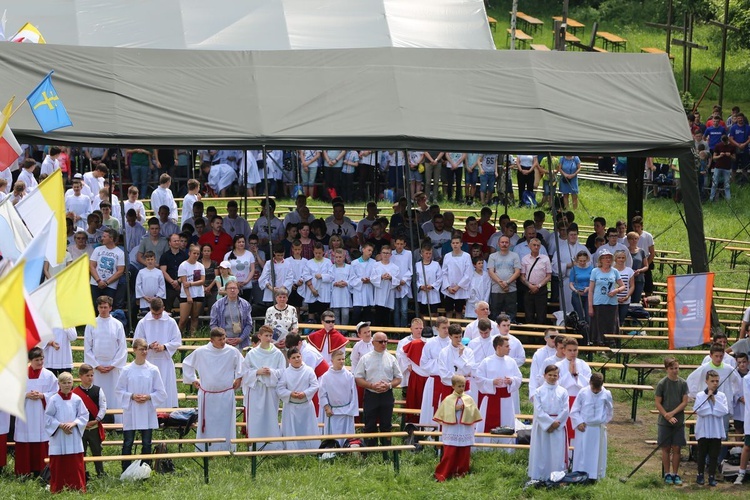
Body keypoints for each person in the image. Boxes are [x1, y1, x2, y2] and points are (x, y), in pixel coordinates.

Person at [183, 328, 244, 452]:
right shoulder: (201, 352)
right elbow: (187, 364)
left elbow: (242, 366)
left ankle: (227, 447)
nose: (223, 341)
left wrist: (239, 378)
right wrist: (193, 379)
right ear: (211, 340)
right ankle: (206, 447)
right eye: (219, 339)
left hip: (226, 393)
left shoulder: (232, 351)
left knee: (225, 422)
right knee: (208, 423)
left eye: (224, 338)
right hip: (208, 394)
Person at [116, 338, 167, 471]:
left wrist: (149, 397)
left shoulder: (153, 369)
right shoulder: (126, 370)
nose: (144, 352)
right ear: (134, 350)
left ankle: (145, 469)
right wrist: (132, 396)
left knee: (147, 442)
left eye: (145, 349)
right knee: (128, 442)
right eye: (141, 349)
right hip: (131, 410)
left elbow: (161, 392)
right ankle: (125, 469)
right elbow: (119, 390)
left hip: (146, 410)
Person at [354, 331, 403, 448]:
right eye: (380, 341)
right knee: (369, 424)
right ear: (373, 342)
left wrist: (389, 385)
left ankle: (386, 450)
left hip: (387, 394)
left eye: (386, 341)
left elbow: (399, 377)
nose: (384, 344)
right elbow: (358, 378)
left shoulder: (391, 358)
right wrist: (371, 386)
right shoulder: (365, 359)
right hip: (371, 394)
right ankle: (369, 450)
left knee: (386, 424)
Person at [15, 347, 59, 477]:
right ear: (30, 360)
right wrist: (25, 395)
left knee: (41, 441)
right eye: (37, 360)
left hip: (41, 413)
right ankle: (23, 471)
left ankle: (41, 470)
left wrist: (43, 396)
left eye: (42, 359)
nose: (40, 362)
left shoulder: (48, 375)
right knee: (25, 439)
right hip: (25, 413)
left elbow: (55, 393)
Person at [241, 325, 287, 450]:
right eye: (266, 336)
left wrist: (271, 372)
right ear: (259, 336)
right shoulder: (252, 353)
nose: (268, 338)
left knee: (271, 416)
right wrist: (257, 372)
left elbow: (283, 371)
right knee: (255, 417)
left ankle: (272, 445)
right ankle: (256, 445)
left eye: (270, 336)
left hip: (270, 389)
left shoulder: (277, 353)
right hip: (256, 388)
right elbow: (244, 372)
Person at [83, 296, 128, 420]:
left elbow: (122, 347)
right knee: (98, 394)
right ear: (97, 308)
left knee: (114, 394)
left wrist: (113, 364)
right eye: (101, 307)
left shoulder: (117, 324)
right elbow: (88, 346)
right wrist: (96, 365)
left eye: (105, 307)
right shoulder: (91, 324)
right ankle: (98, 421)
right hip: (97, 366)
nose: (103, 310)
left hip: (112, 367)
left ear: (110, 308)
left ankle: (117, 421)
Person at [133, 298, 183, 408]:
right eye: (154, 314)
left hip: (164, 360)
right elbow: (137, 341)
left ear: (163, 309)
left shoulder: (170, 322)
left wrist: (164, 346)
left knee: (165, 386)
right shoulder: (143, 322)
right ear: (150, 309)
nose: (156, 317)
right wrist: (149, 346)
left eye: (159, 314)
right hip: (149, 359)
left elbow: (177, 340)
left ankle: (166, 411)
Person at [433, 374, 482, 482]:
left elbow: (473, 412)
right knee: (450, 452)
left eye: (463, 386)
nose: (461, 388)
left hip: (464, 429)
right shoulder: (448, 399)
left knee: (464, 452)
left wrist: (465, 409)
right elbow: (443, 412)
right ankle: (445, 472)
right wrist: (454, 409)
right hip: (452, 428)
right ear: (453, 386)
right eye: (459, 386)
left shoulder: (468, 398)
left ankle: (462, 471)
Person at [475, 336, 523, 447]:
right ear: (498, 347)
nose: (509, 349)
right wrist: (492, 382)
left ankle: (506, 447)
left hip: (506, 398)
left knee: (507, 423)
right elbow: (478, 378)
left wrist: (511, 380)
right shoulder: (487, 361)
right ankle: (486, 448)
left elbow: (518, 377)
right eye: (507, 346)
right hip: (492, 397)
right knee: (488, 422)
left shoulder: (511, 362)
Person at [45, 372, 88, 493]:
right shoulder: (53, 399)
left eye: (69, 382)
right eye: (64, 383)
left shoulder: (77, 399)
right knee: (58, 465)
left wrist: (74, 423)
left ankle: (78, 487)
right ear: (59, 384)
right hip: (59, 435)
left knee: (75, 464)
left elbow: (84, 415)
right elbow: (48, 417)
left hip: (73, 434)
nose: (67, 385)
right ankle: (58, 488)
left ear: (72, 383)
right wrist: (60, 425)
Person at [528, 365, 570, 481]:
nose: (552, 377)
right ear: (544, 376)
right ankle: (540, 475)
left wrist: (556, 423)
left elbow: (566, 409)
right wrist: (548, 424)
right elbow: (538, 409)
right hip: (542, 426)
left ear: (558, 376)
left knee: (557, 452)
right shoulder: (539, 391)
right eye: (550, 375)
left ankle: (556, 476)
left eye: (555, 375)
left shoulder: (563, 391)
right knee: (542, 450)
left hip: (558, 425)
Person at [569, 372, 613, 481]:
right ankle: (580, 473)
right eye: (594, 388)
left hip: (598, 428)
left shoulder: (606, 394)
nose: (596, 391)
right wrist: (578, 422)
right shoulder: (583, 392)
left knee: (597, 453)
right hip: (584, 427)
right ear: (590, 383)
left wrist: (603, 421)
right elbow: (574, 410)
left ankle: (596, 474)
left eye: (598, 389)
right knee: (582, 452)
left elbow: (610, 410)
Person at [277, 347, 321, 450]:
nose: (297, 359)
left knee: (308, 427)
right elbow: (280, 388)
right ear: (289, 360)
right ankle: (292, 448)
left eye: (298, 356)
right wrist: (290, 393)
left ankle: (310, 448)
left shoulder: (309, 370)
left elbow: (315, 385)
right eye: (294, 357)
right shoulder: (285, 372)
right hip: (291, 405)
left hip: (306, 404)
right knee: (292, 428)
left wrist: (305, 393)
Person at [655, 356, 689, 485]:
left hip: (678, 421)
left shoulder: (683, 383)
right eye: (672, 368)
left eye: (676, 368)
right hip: (664, 422)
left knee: (677, 448)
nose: (675, 371)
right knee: (666, 447)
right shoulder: (662, 384)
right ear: (666, 369)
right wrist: (666, 415)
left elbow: (684, 402)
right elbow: (658, 402)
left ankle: (675, 473)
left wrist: (673, 413)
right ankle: (667, 473)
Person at [555, 337, 591, 454]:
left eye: (575, 350)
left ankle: (578, 456)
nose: (573, 353)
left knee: (579, 429)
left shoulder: (583, 364)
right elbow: (557, 384)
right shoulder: (558, 365)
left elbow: (588, 383)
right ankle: (566, 455)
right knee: (566, 429)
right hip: (565, 401)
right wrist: (569, 374)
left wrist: (576, 374)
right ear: (563, 351)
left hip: (580, 401)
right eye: (570, 350)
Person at [694, 370, 729, 487]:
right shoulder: (700, 395)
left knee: (714, 455)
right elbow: (699, 411)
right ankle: (700, 475)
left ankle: (712, 476)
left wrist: (714, 401)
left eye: (717, 381)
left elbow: (723, 411)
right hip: (703, 429)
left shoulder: (722, 396)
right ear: (706, 382)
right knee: (702, 454)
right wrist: (708, 401)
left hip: (716, 430)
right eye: (712, 381)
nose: (715, 383)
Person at [73, 364, 107, 478]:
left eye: (92, 375)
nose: (90, 378)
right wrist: (80, 422)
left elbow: (103, 407)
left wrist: (97, 420)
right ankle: (82, 474)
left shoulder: (98, 390)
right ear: (81, 376)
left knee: (97, 451)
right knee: (81, 452)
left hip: (94, 427)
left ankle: (100, 473)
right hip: (81, 428)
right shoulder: (75, 393)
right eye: (87, 375)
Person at [320, 349, 359, 444]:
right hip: (333, 411)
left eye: (343, 359)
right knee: (333, 436)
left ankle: (346, 450)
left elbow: (354, 394)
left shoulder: (349, 376)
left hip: (346, 411)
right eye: (339, 359)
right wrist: (326, 407)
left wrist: (351, 409)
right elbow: (322, 393)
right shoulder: (326, 377)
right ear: (332, 361)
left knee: (347, 435)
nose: (341, 361)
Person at [588, 249, 624, 346]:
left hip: (611, 302)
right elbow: (591, 290)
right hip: (598, 302)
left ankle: (611, 342)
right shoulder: (595, 271)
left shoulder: (615, 271)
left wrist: (616, 290)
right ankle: (598, 343)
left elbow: (623, 286)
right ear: (601, 260)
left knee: (611, 323)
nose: (607, 260)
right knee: (599, 324)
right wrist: (590, 306)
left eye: (609, 258)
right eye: (604, 258)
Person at [396, 318, 428, 423]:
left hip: (422, 375)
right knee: (406, 396)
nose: (419, 330)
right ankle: (404, 417)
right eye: (416, 328)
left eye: (421, 328)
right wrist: (408, 364)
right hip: (409, 374)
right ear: (411, 329)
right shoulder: (404, 342)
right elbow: (400, 356)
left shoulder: (426, 341)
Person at [210, 281, 253, 350]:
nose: (232, 290)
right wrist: (223, 338)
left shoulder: (245, 305)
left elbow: (249, 324)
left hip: (240, 341)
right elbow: (213, 324)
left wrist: (241, 338)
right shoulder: (217, 305)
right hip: (223, 341)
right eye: (230, 288)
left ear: (238, 290)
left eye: (234, 288)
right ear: (226, 290)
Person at [487, 235, 521, 321]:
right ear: (498, 244)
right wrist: (501, 283)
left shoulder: (515, 256)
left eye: (506, 242)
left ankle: (511, 331)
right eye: (502, 242)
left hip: (511, 289)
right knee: (495, 313)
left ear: (510, 244)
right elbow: (491, 271)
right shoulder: (492, 256)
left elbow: (517, 272)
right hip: (496, 289)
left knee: (511, 313)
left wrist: (507, 282)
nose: (504, 244)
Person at [89, 227, 126, 306]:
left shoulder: (120, 253)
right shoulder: (97, 249)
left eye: (104, 237)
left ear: (111, 238)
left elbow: (120, 271)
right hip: (95, 283)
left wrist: (106, 282)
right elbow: (92, 266)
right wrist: (98, 281)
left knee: (107, 306)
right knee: (94, 306)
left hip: (110, 285)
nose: (102, 238)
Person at [520, 238, 552, 325]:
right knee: (529, 315)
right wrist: (530, 285)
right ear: (530, 246)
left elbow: (548, 275)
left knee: (541, 316)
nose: (536, 247)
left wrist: (539, 285)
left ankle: (540, 337)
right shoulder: (524, 259)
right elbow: (522, 276)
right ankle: (530, 337)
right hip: (528, 289)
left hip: (541, 289)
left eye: (538, 245)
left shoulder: (545, 259)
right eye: (534, 245)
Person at [441, 234, 473, 318]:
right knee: (448, 311)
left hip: (461, 289)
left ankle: (457, 329)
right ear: (451, 244)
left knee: (459, 311)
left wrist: (458, 287)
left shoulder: (466, 256)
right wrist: (448, 287)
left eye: (457, 243)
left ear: (461, 244)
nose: (455, 244)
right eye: (453, 243)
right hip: (449, 289)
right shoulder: (447, 256)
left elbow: (468, 274)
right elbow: (444, 272)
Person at [177, 243, 206, 334]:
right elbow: (184, 282)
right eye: (194, 253)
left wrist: (191, 284)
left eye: (198, 253)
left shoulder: (200, 266)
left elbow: (202, 281)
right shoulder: (183, 265)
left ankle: (192, 336)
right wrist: (188, 296)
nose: (196, 255)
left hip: (198, 293)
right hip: (186, 295)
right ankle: (177, 336)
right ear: (189, 253)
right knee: (183, 320)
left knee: (195, 317)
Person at [303, 242, 334, 324]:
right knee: (311, 311)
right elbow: (306, 276)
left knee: (323, 313)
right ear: (313, 252)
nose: (318, 255)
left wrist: (322, 276)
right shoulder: (309, 263)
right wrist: (312, 290)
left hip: (324, 292)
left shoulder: (328, 262)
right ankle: (311, 330)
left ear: (323, 252)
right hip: (312, 291)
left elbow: (331, 276)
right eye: (316, 253)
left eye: (320, 253)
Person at [370, 245, 400, 326]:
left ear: (390, 255)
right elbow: (372, 278)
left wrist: (391, 278)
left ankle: (386, 333)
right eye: (384, 253)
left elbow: (397, 281)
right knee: (378, 313)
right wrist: (381, 277)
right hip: (379, 293)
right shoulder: (376, 265)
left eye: (387, 253)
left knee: (387, 314)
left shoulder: (395, 267)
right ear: (380, 254)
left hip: (388, 293)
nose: (385, 255)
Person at [350, 242, 376, 325]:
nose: (370, 252)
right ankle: (353, 331)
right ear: (363, 250)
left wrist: (370, 280)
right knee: (356, 312)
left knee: (367, 311)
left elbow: (375, 276)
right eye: (369, 250)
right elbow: (352, 278)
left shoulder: (374, 263)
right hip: (359, 290)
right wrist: (361, 280)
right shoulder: (354, 263)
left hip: (368, 289)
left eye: (371, 251)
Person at [528, 329, 559, 399]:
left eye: (557, 337)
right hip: (543, 390)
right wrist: (533, 392)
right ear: (546, 338)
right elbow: (534, 374)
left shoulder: (563, 353)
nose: (555, 339)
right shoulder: (539, 354)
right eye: (552, 337)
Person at [330, 249, 353, 325]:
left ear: (344, 257)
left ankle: (344, 331)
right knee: (336, 313)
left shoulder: (349, 268)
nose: (338, 259)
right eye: (336, 257)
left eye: (340, 257)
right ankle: (337, 330)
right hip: (335, 293)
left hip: (345, 293)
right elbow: (329, 279)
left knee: (345, 313)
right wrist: (335, 283)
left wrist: (346, 283)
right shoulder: (331, 268)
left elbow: (353, 279)